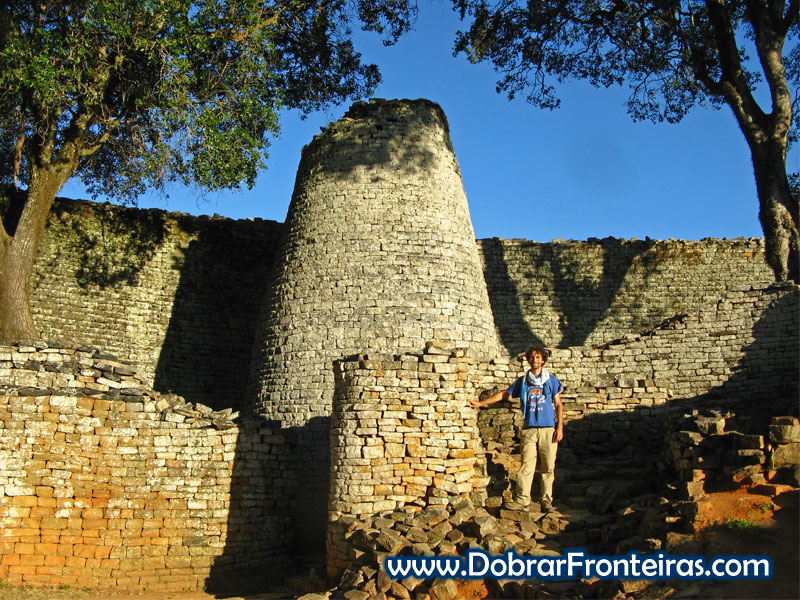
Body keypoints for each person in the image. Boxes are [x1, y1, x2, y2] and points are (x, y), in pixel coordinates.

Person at [469, 343, 564, 513]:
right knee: (526, 466)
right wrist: (481, 403)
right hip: (529, 429)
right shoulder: (523, 382)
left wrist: (560, 427)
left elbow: (558, 404)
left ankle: (546, 501)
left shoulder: (551, 381)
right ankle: (522, 500)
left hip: (548, 429)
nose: (534, 360)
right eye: (531, 357)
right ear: (528, 360)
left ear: (542, 360)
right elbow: (504, 394)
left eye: (537, 357)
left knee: (548, 467)